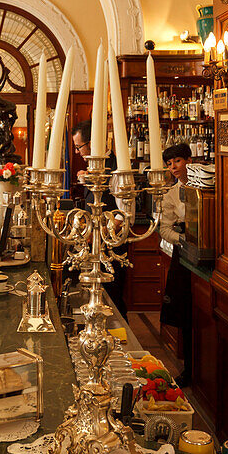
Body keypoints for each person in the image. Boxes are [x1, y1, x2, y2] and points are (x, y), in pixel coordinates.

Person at [71, 119, 128, 318]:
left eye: (79, 147)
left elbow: (124, 213)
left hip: (111, 247)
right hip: (94, 245)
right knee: (95, 299)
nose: (77, 152)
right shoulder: (94, 168)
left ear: (92, 143)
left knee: (112, 300)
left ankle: (124, 342)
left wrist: (98, 235)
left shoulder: (118, 167)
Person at [159, 142, 193, 387]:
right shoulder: (171, 194)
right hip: (185, 256)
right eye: (170, 164)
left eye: (177, 162)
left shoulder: (209, 182)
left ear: (189, 160)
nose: (174, 168)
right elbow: (164, 229)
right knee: (186, 314)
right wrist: (183, 239)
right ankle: (190, 369)